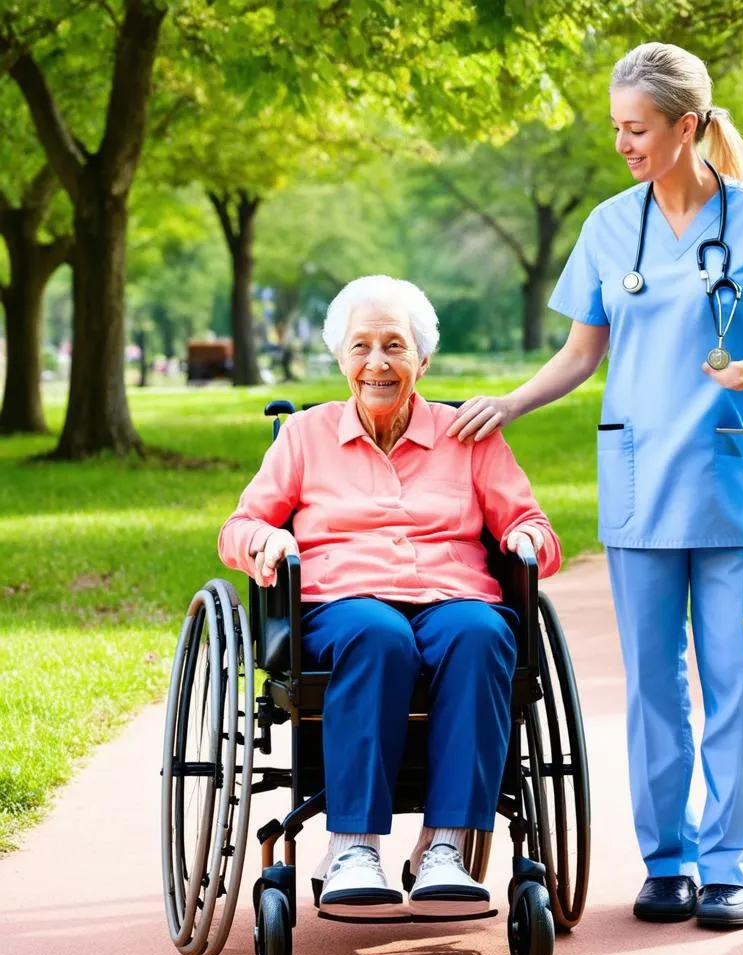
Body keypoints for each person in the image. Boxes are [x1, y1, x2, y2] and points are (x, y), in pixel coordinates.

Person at [448, 42, 743, 929]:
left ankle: (732, 864)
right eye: (617, 127)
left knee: (737, 679)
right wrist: (510, 403)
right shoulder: (607, 227)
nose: (623, 142)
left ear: (687, 126)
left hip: (735, 483)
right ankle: (670, 861)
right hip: (638, 483)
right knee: (656, 684)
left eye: (638, 128)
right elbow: (582, 353)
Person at [219, 274, 561, 920]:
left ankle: (447, 849)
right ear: (342, 359)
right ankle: (352, 849)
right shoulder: (304, 438)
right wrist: (264, 542)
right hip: (343, 605)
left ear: (422, 360)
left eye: (395, 346)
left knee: (485, 635)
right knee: (379, 636)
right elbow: (237, 528)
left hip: (454, 597)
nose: (378, 363)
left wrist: (522, 538)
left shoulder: (470, 435)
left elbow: (537, 529)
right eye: (362, 347)